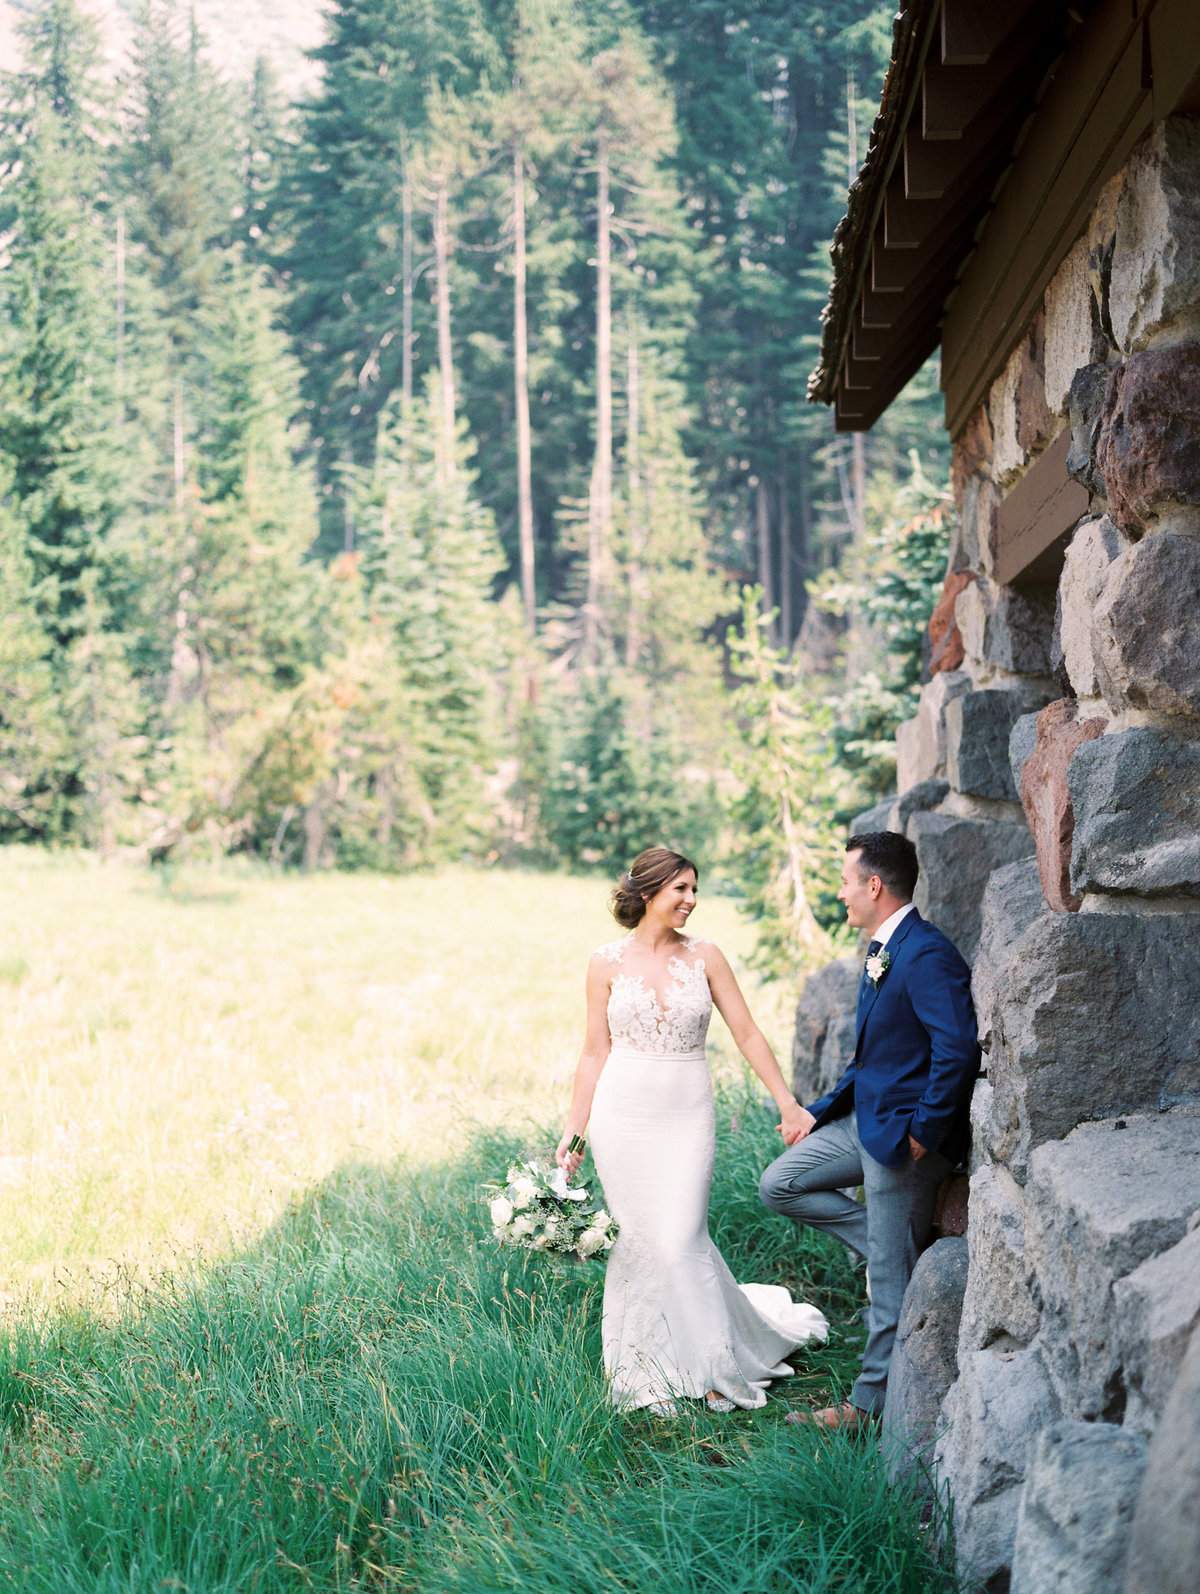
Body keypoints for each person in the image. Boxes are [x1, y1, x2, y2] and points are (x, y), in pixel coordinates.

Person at [556, 845, 827, 1415]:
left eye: (694, 890)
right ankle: (644, 1365)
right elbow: (592, 1051)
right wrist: (575, 1129)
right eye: (681, 890)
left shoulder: (706, 956)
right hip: (621, 1116)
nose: (692, 901)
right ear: (648, 892)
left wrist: (789, 1103)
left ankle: (714, 1367)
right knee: (641, 1242)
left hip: (686, 1112)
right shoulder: (604, 962)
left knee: (681, 1239)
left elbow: (748, 1033)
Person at [758, 830, 979, 1431]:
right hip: (864, 1123)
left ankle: (864, 1408)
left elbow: (957, 1050)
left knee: (888, 1287)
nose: (839, 893)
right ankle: (889, 1256)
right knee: (779, 1185)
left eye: (845, 881)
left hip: (904, 1141)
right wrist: (816, 1111)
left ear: (875, 886)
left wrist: (925, 1134)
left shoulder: (926, 953)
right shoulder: (885, 946)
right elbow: (871, 1062)